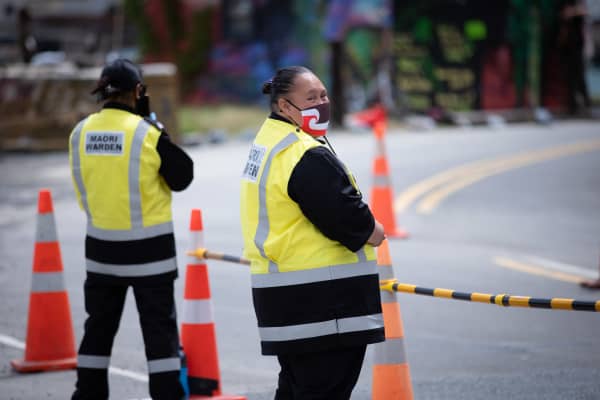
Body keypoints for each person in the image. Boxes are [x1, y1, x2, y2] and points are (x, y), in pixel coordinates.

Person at [239, 66, 386, 400]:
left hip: (288, 303)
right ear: (284, 107)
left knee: (295, 390)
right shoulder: (304, 154)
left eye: (323, 95)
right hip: (324, 308)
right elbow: (347, 218)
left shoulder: (268, 142)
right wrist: (374, 230)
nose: (322, 103)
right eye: (311, 98)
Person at [68, 58, 193, 400]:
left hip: (101, 252)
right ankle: (167, 395)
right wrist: (157, 128)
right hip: (150, 255)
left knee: (98, 329)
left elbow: (84, 189)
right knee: (159, 333)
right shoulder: (146, 134)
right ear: (138, 92)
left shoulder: (80, 132)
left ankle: (87, 394)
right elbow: (183, 176)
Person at [558, 0, 591, 114]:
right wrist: (574, 11)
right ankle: (573, 105)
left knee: (579, 73)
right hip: (567, 44)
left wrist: (573, 12)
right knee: (570, 75)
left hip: (577, 43)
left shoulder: (578, 1)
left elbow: (584, 12)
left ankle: (586, 103)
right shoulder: (563, 2)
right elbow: (564, 14)